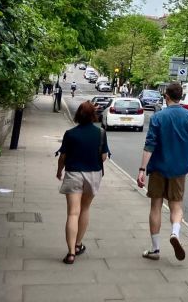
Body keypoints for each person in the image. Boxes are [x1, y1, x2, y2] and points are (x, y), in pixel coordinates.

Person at [136, 82, 188, 261]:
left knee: (155, 206)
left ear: (166, 97)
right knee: (176, 206)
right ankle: (175, 233)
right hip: (180, 169)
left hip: (158, 168)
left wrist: (142, 169)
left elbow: (149, 145)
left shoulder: (158, 117)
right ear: (181, 97)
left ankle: (155, 249)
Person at [56, 100, 110, 264]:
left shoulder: (70, 133)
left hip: (73, 175)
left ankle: (71, 252)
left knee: (73, 212)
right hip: (93, 175)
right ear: (93, 116)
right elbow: (104, 156)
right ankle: (78, 244)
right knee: (85, 209)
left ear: (78, 115)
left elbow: (63, 157)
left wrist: (59, 171)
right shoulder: (100, 133)